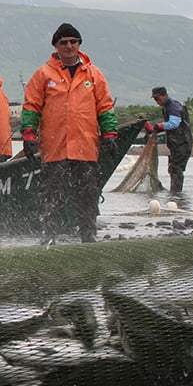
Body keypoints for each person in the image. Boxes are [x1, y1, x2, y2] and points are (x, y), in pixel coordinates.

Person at [21, 23, 118, 244]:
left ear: (79, 44)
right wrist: (28, 135)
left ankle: (88, 234)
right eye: (63, 42)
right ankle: (49, 235)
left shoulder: (93, 74)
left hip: (85, 146)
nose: (69, 46)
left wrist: (110, 134)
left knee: (88, 194)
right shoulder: (43, 74)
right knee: (52, 194)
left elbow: (104, 106)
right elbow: (31, 107)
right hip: (55, 147)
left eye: (73, 41)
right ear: (56, 46)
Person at [146, 86, 193, 194]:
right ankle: (175, 194)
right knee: (173, 168)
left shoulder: (173, 106)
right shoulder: (167, 107)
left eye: (158, 98)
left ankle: (177, 195)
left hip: (183, 143)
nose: (157, 101)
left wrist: (160, 126)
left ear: (164, 95)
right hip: (176, 144)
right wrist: (155, 129)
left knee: (176, 169)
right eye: (155, 99)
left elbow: (174, 123)